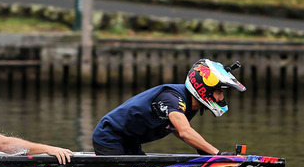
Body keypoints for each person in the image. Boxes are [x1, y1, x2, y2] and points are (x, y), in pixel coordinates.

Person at [92, 58, 246, 156]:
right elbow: (185, 132)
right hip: (109, 138)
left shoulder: (191, 104)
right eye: (219, 91)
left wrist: (205, 152)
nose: (221, 98)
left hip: (130, 142)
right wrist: (218, 154)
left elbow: (177, 130)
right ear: (203, 88)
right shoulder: (172, 98)